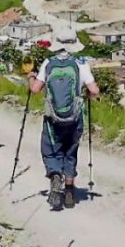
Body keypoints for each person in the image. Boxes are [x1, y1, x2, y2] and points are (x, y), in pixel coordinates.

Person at [28, 28, 100, 211]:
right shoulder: (81, 63)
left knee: (51, 149)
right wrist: (87, 96)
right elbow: (94, 91)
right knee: (70, 151)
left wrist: (30, 76)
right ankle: (69, 192)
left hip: (53, 118)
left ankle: (55, 175)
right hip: (75, 118)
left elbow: (35, 89)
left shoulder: (48, 63)